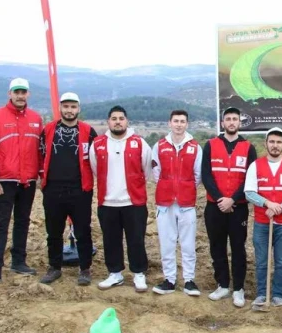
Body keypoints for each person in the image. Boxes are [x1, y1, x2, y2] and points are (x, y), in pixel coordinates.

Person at [0, 78, 43, 284]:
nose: (20, 95)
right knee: (0, 224)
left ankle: (18, 261)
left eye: (23, 92)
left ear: (28, 94)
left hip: (28, 181)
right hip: (4, 182)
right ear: (9, 93)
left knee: (23, 222)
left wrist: (41, 175)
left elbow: (39, 151)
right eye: (16, 92)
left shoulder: (35, 118)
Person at [89, 106, 153, 292]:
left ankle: (139, 274)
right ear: (108, 122)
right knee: (111, 240)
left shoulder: (140, 143)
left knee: (136, 240)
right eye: (114, 118)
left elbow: (146, 171)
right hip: (107, 202)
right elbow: (95, 169)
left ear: (127, 121)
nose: (118, 121)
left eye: (121, 118)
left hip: (133, 203)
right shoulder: (98, 144)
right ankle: (115, 274)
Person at [39, 92, 98, 286]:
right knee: (54, 231)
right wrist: (43, 179)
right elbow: (40, 155)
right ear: (60, 108)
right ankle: (54, 267)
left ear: (78, 108)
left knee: (82, 231)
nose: (69, 110)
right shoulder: (48, 130)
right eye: (66, 106)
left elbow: (96, 160)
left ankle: (85, 268)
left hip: (80, 189)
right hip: (53, 188)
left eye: (73, 107)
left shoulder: (89, 132)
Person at [201, 107, 257, 307]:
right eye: (228, 119)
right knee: (217, 246)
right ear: (222, 123)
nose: (232, 122)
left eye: (235, 119)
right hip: (214, 206)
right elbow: (206, 175)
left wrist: (232, 199)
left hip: (238, 207)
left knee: (238, 248)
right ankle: (222, 284)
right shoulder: (211, 145)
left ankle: (239, 288)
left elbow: (250, 179)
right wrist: (220, 199)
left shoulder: (248, 147)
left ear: (239, 123)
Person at [244, 127, 282, 309]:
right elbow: (249, 192)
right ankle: (262, 293)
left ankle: (278, 294)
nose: (275, 145)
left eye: (279, 142)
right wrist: (267, 204)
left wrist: (279, 208)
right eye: (272, 142)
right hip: (262, 222)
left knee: (281, 261)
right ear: (266, 143)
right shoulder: (255, 166)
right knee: (261, 260)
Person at [151, 110, 203, 297]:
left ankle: (189, 280)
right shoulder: (160, 145)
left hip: (186, 203)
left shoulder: (195, 147)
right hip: (165, 204)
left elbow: (198, 175)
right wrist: (168, 188)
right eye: (176, 121)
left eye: (182, 121)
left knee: (188, 244)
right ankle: (170, 280)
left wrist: (184, 188)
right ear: (169, 123)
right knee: (167, 243)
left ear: (187, 124)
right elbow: (156, 172)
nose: (179, 124)